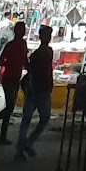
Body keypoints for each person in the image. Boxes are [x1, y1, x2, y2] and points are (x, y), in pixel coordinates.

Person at [14, 24, 54, 161]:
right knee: (42, 118)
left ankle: (22, 145)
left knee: (27, 119)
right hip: (40, 90)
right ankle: (27, 143)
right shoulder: (46, 52)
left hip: (34, 89)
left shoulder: (40, 53)